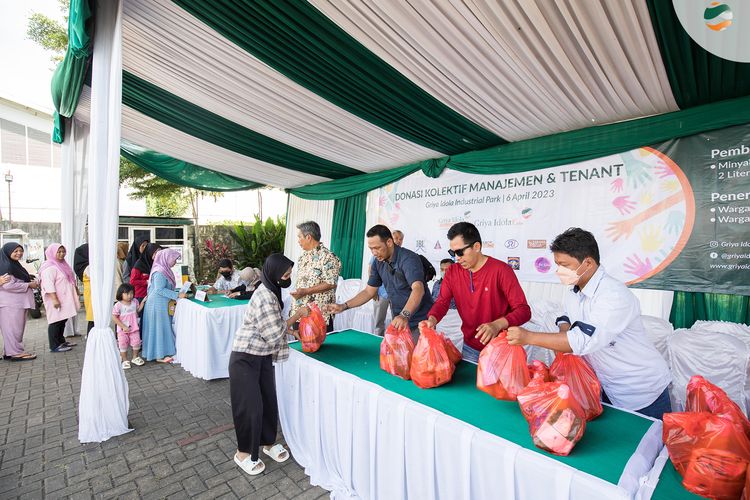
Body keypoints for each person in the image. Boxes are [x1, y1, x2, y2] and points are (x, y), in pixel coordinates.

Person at [506, 228, 672, 420]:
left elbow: (582, 341)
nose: (558, 271)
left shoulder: (613, 296)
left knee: (646, 446)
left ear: (588, 263)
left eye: (564, 265)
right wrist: (564, 333)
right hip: (607, 385)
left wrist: (529, 337)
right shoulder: (576, 291)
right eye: (557, 264)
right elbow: (565, 317)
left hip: (642, 390)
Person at [229, 253, 309, 476]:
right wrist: (297, 316)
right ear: (273, 273)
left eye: (289, 274)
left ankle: (267, 443)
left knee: (267, 402)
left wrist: (291, 330)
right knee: (250, 407)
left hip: (262, 356)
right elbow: (274, 334)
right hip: (245, 358)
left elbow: (274, 326)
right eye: (285, 274)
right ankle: (243, 453)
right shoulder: (264, 295)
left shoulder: (273, 290)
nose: (287, 277)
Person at [424, 222, 531, 363]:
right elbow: (442, 302)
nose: (456, 258)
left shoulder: (501, 270)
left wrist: (497, 325)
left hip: (502, 348)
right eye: (453, 253)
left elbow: (523, 310)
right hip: (470, 347)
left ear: (476, 247)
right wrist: (432, 319)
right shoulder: (452, 272)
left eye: (460, 252)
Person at [326, 225, 432, 342]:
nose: (374, 252)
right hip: (399, 319)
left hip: (420, 321)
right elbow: (369, 291)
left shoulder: (408, 259)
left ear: (389, 242)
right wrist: (343, 306)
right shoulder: (378, 262)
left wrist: (404, 315)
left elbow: (418, 289)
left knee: (419, 358)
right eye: (371, 248)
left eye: (377, 248)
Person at [289, 221, 341, 332]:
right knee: (300, 348)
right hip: (299, 313)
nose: (298, 241)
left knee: (322, 348)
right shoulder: (302, 257)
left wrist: (306, 291)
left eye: (299, 237)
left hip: (319, 315)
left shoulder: (328, 257)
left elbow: (331, 283)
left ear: (308, 237)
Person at [141, 248, 185, 362]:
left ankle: (161, 352)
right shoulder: (160, 272)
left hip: (160, 303)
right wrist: (177, 295)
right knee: (158, 328)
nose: (175, 262)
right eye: (174, 259)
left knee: (161, 328)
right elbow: (159, 290)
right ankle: (159, 355)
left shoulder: (163, 269)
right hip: (157, 304)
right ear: (166, 258)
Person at [0, 243, 39, 360]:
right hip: (11, 304)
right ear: (7, 252)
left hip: (16, 303)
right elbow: (8, 286)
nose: (19, 253)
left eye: (21, 251)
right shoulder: (6, 266)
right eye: (15, 251)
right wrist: (29, 285)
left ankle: (9, 352)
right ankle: (15, 352)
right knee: (13, 329)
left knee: (14, 328)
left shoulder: (14, 265)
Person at [39, 244, 80, 353]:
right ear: (52, 253)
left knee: (63, 319)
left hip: (65, 297)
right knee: (55, 321)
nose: (62, 254)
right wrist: (54, 299)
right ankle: (54, 345)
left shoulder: (62, 264)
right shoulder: (49, 267)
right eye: (58, 252)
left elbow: (70, 279)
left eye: (63, 251)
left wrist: (75, 289)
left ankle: (61, 341)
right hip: (56, 298)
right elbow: (48, 284)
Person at [112, 283, 146, 369]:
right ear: (121, 294)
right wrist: (123, 326)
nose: (130, 296)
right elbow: (114, 317)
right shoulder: (118, 305)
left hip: (134, 328)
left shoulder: (135, 302)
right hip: (123, 330)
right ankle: (125, 360)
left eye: (131, 293)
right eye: (127, 294)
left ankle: (135, 357)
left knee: (136, 342)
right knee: (123, 344)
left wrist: (142, 302)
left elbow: (137, 311)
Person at [73, 244, 95, 334]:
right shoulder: (87, 268)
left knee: (94, 317)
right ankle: (91, 336)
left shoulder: (84, 267)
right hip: (92, 293)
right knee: (93, 317)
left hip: (92, 292)